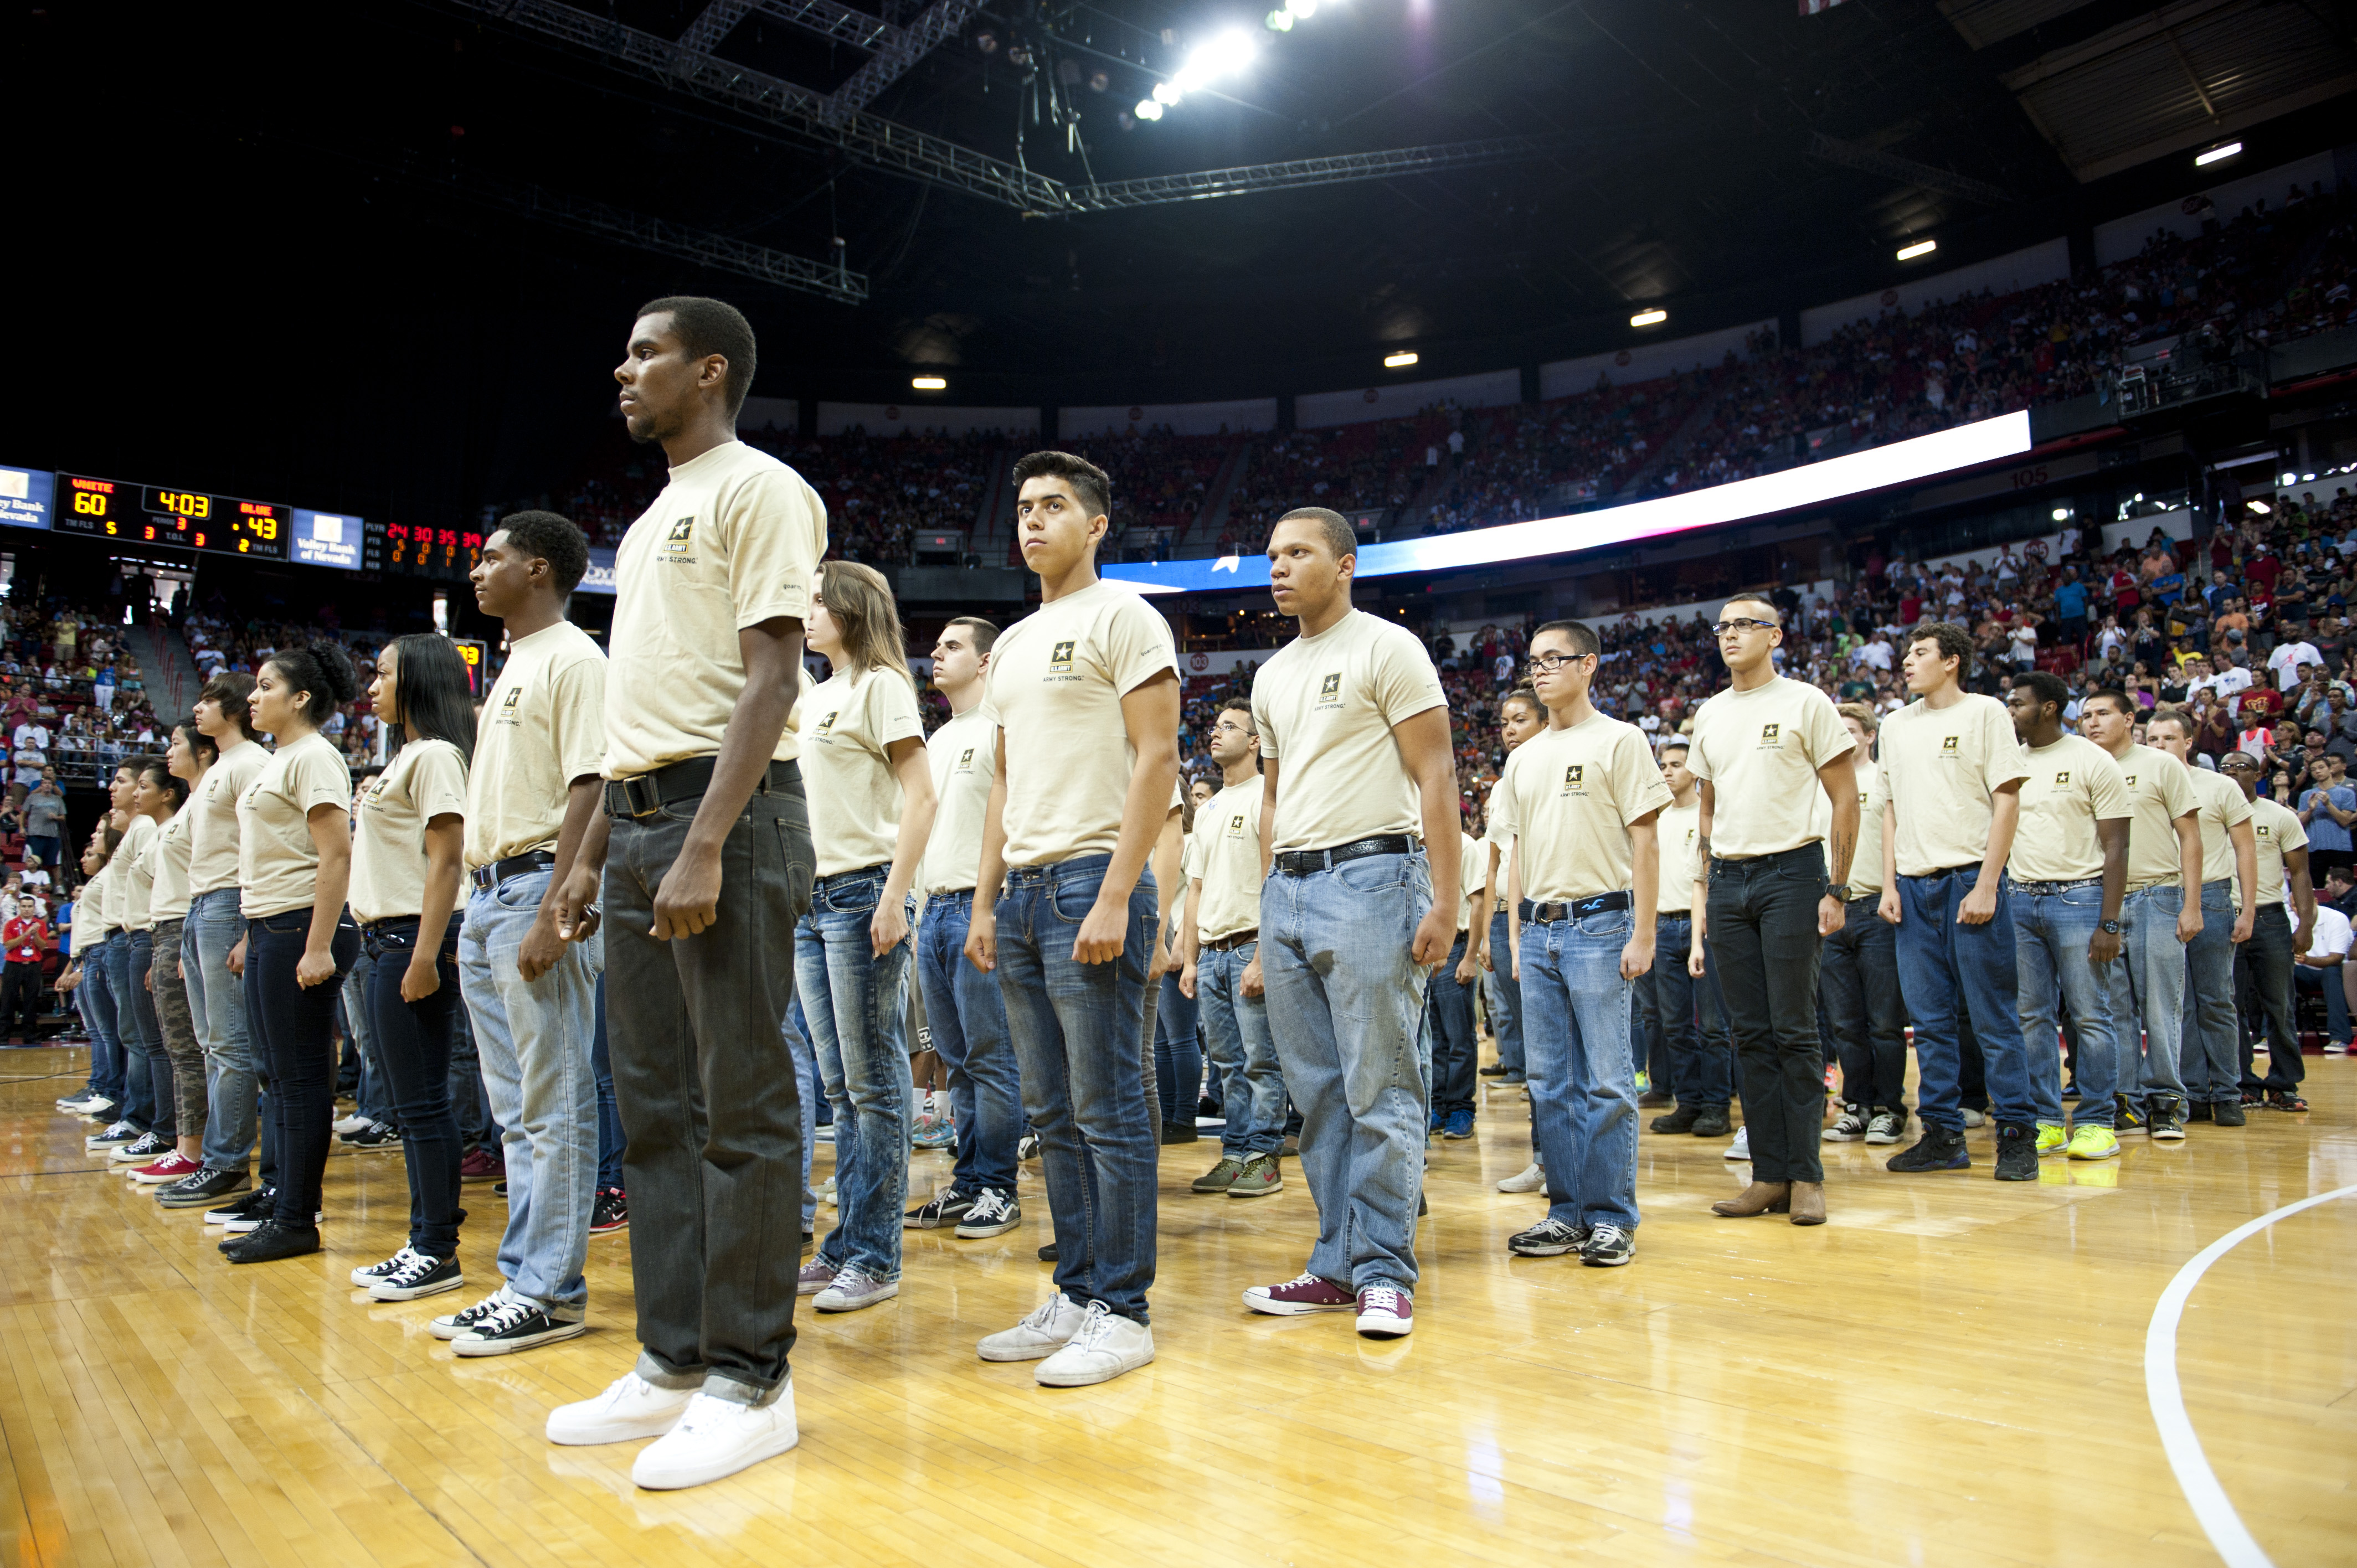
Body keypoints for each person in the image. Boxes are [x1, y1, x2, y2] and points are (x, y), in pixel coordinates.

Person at [546, 298, 817, 1490]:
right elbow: (635, 721)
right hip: (643, 817)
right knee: (652, 1108)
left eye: (646, 352)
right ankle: (669, 1360)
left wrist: (706, 841)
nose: (624, 368)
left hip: (730, 819)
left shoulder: (760, 488)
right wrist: (592, 852)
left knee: (740, 1106)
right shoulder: (656, 512)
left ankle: (753, 1381)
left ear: (708, 371)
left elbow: (770, 680)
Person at [964, 450, 1179, 1385]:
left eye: (1053, 506)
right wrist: (982, 898)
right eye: (1022, 507)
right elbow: (1003, 779)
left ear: (1095, 525)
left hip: (1093, 879)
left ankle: (1124, 1309)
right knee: (1050, 1111)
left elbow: (1158, 756)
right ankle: (1080, 1288)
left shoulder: (1127, 615)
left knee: (1108, 1104)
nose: (1032, 520)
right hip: (1020, 891)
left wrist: (1119, 891)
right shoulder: (1011, 644)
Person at [1242, 506, 1458, 1337]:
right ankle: (1335, 1263)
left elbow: (1436, 772)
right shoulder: (1271, 675)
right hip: (1289, 884)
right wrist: (1267, 898)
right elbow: (1271, 797)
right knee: (1318, 1094)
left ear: (1346, 565)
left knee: (1380, 1084)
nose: (1280, 567)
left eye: (1298, 553)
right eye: (1272, 555)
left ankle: (1384, 1274)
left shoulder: (1387, 647)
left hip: (1374, 872)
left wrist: (1443, 896)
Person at [442, 513, 610, 1352]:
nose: (478, 570)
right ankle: (524, 1279)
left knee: (554, 1104)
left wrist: (555, 904)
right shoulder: (518, 660)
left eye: (493, 557)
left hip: (531, 888)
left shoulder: (576, 659)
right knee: (515, 1111)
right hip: (488, 895)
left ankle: (551, 1289)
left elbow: (593, 782)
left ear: (538, 569)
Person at [1491, 618, 1669, 1264]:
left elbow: (1645, 842)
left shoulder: (1620, 741)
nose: (1539, 670)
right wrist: (1514, 938)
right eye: (1532, 660)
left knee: (1608, 1081)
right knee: (1547, 1083)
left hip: (1600, 923)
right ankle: (1565, 1212)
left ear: (1588, 665)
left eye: (1552, 659)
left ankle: (1612, 1216)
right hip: (1537, 930)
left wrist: (1643, 931)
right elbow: (1514, 856)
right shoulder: (1521, 757)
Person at [791, 561, 937, 1314]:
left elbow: (922, 797)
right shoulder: (815, 697)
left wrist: (894, 896)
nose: (808, 612)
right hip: (811, 903)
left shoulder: (881, 686)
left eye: (819, 601)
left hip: (861, 893)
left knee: (875, 1085)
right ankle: (847, 1245)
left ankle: (877, 1257)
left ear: (852, 608)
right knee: (842, 1089)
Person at [1688, 596, 1857, 1222]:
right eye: (1722, 626)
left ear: (1775, 636)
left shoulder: (1804, 702)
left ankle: (1806, 1175)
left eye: (1744, 625)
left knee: (1793, 1028)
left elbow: (1844, 798)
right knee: (1748, 1033)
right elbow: (1706, 807)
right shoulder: (1708, 712)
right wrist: (1706, 879)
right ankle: (1767, 1174)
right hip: (1729, 879)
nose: (1730, 635)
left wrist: (1836, 888)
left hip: (1793, 870)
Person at [1875, 621, 2040, 1182]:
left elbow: (2006, 800)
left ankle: (2017, 1135)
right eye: (1905, 652)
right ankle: (1941, 1136)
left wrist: (1988, 883)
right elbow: (1889, 810)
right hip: (1913, 886)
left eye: (1919, 652)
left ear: (1951, 661)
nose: (1906, 661)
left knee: (1993, 1018)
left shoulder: (1985, 713)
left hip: (1968, 878)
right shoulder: (1893, 726)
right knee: (1927, 1021)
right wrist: (1889, 884)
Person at [222, 642, 362, 1263]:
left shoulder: (315, 758)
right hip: (271, 926)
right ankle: (280, 1197)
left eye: (265, 686)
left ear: (300, 698)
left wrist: (318, 945)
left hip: (302, 928)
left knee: (302, 1081)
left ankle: (297, 1219)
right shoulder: (281, 761)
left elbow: (335, 855)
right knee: (277, 1076)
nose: (253, 697)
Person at [345, 636, 476, 1304]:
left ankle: (435, 1250)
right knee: (409, 1103)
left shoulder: (434, 756)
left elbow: (447, 862)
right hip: (386, 940)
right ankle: (423, 1240)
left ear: (418, 680)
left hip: (409, 940)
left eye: (384, 673)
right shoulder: (409, 757)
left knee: (422, 1103)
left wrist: (425, 954)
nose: (373, 685)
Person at [907, 616, 1025, 1238]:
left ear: (984, 662)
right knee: (954, 1059)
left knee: (991, 1055)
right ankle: (970, 1180)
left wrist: (990, 903)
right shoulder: (936, 738)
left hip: (982, 909)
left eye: (951, 646)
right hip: (933, 912)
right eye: (936, 645)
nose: (936, 653)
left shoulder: (1001, 731)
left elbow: (1007, 824)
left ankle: (999, 1187)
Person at [2003, 672, 2130, 1162]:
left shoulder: (2091, 759)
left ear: (2050, 708)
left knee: (2091, 1014)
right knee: (2030, 1018)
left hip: (2080, 898)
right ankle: (2047, 1120)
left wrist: (2110, 921)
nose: (2010, 710)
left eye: (2019, 703)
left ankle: (2099, 1121)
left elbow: (2117, 846)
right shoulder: (2008, 762)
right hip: (2020, 898)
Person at [158, 673, 272, 1212]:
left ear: (231, 708)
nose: (196, 710)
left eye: (207, 701)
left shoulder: (250, 763)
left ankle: (227, 1162)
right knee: (211, 1043)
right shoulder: (223, 768)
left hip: (230, 902)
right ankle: (216, 1158)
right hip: (204, 904)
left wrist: (251, 926)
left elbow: (265, 845)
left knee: (230, 1043)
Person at [2078, 690, 2202, 1136]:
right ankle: (2126, 1101)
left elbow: (2190, 837)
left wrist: (2192, 904)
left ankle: (2167, 1101)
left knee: (2161, 1008)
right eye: (2086, 715)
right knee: (2114, 1011)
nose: (2092, 722)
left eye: (2103, 713)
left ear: (2129, 719)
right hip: (2098, 899)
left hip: (2158, 896)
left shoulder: (2161, 764)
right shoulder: (2081, 765)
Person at [1177, 698, 1286, 1198]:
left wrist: (1265, 953)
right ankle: (1236, 1151)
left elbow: (1273, 878)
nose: (1216, 733)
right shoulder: (1208, 809)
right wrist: (1190, 956)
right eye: (1215, 726)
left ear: (1257, 740)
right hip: (1214, 949)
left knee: (1261, 1061)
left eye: (1230, 727)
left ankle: (1264, 1154)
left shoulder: (1270, 794)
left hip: (1249, 944)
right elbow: (1195, 889)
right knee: (1225, 1064)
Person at [2145, 706, 2255, 1143]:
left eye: (2168, 739)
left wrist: (2248, 909)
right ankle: (2190, 1094)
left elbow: (2245, 849)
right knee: (2177, 1006)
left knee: (2217, 1000)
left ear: (2189, 742)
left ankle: (2228, 1092)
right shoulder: (2139, 781)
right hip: (2158, 896)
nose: (2159, 748)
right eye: (2152, 741)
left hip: (2211, 895)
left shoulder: (2220, 786)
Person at [1816, 704, 1907, 1146]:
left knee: (1885, 1020)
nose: (1844, 738)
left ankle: (1891, 1108)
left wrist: (1892, 889)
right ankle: (1857, 1106)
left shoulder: (1883, 780)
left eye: (1851, 731)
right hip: (1831, 913)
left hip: (1874, 907)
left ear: (1870, 736)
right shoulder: (1821, 787)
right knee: (1844, 1021)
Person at [132, 725, 213, 1188]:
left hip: (184, 926)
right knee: (180, 1048)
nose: (168, 752)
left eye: (177, 743)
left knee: (191, 1050)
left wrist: (187, 943)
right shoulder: (183, 814)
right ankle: (186, 1145)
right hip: (171, 931)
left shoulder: (195, 806)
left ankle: (192, 1148)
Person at [1647, 737, 1735, 1141]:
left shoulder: (1709, 814)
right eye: (1663, 764)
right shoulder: (1656, 819)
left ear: (1695, 773)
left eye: (1676, 764)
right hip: (1663, 927)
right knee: (1675, 1025)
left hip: (1704, 927)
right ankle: (1689, 1103)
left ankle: (1718, 1107)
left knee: (1714, 1027)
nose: (1666, 771)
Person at [2216, 749, 2309, 1119]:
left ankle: (2284, 1084)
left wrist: (2307, 923)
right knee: (2229, 1006)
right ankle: (2243, 1086)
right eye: (2226, 767)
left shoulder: (2280, 816)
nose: (2233, 772)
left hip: (2270, 917)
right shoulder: (2209, 812)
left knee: (2280, 1004)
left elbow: (2301, 874)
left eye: (2242, 767)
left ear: (2259, 774)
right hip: (2223, 916)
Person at [2, 894, 49, 1042]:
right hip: (14, 965)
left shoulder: (40, 924)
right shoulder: (11, 924)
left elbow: (42, 947)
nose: (27, 909)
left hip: (33, 966)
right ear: (19, 908)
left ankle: (29, 1035)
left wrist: (35, 935)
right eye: (24, 906)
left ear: (34, 908)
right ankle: (3, 1035)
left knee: (31, 1000)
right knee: (8, 999)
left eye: (30, 907)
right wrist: (26, 935)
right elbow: (8, 945)